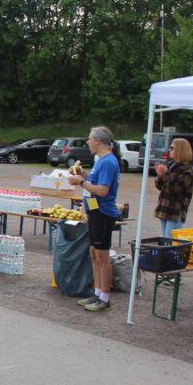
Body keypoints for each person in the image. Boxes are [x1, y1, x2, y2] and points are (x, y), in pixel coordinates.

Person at [67, 126, 120, 312]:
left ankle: (105, 297)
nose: (88, 142)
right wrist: (83, 175)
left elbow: (102, 190)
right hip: (94, 211)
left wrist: (81, 182)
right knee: (94, 253)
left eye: (90, 139)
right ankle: (97, 292)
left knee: (102, 255)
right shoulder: (100, 161)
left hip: (103, 213)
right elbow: (96, 181)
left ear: (98, 141)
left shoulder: (108, 161)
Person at [154, 138, 193, 238]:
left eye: (172, 148)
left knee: (170, 241)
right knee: (165, 240)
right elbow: (160, 186)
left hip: (176, 211)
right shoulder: (171, 164)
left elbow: (177, 188)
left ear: (179, 150)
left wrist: (165, 174)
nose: (169, 150)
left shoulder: (188, 169)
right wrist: (160, 174)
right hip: (164, 208)